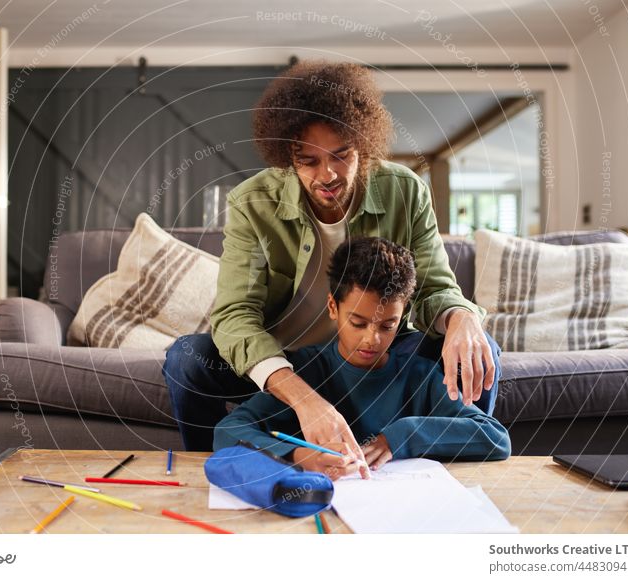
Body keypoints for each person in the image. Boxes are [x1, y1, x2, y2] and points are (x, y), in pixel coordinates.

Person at [163, 60, 501, 458]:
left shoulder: (405, 190)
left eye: (342, 156)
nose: (327, 175)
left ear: (364, 144)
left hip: (380, 353)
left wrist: (463, 318)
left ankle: (452, 470)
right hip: (288, 358)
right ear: (287, 156)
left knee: (480, 348)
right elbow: (235, 314)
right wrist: (302, 398)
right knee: (187, 360)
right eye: (309, 161)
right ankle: (220, 472)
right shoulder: (252, 203)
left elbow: (435, 289)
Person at [213, 237, 510, 479]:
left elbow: (496, 438)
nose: (372, 339)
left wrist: (402, 435)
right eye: (357, 323)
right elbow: (227, 431)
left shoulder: (418, 376)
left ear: (403, 315)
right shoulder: (308, 371)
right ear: (333, 308)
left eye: (387, 326)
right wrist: (296, 456)